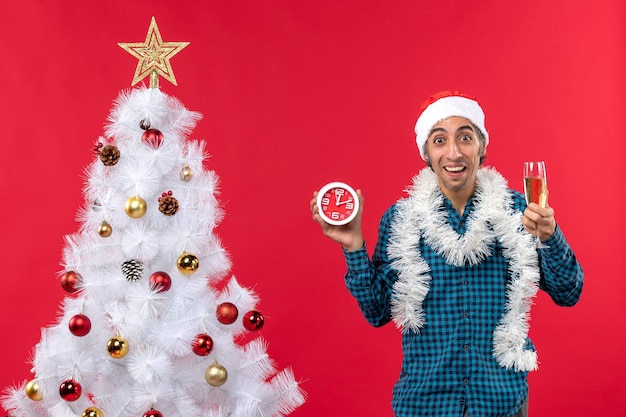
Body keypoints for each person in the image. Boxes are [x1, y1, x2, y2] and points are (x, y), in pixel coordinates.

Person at [310, 91, 583, 417]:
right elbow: (378, 312)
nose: (453, 152)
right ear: (426, 151)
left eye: (465, 137)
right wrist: (353, 245)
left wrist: (550, 236)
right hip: (426, 403)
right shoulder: (401, 219)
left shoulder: (518, 210)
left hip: (501, 401)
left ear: (481, 147)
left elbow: (569, 292)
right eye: (439, 140)